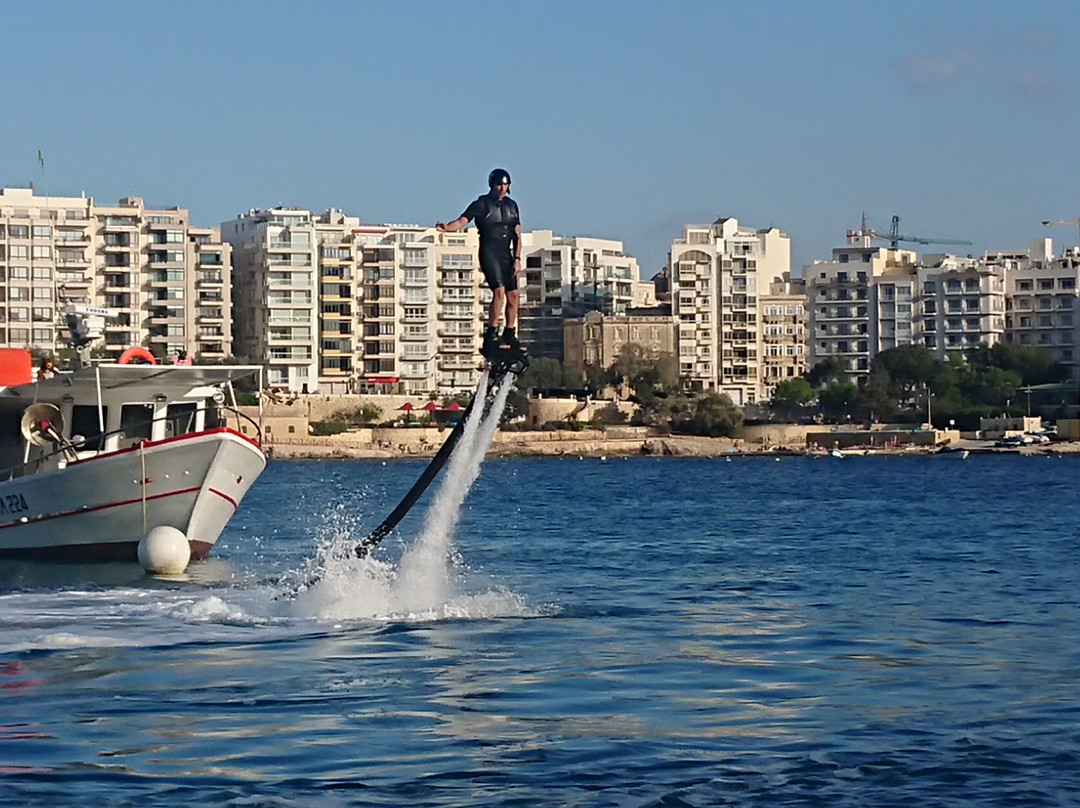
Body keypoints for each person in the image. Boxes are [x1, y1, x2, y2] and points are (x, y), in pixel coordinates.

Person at [437, 168, 524, 360]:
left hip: (506, 254)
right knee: (499, 292)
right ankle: (492, 333)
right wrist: (446, 228)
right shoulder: (482, 204)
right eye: (499, 185)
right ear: (492, 186)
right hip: (489, 252)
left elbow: (517, 235)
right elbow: (462, 221)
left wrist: (517, 259)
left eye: (505, 184)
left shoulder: (512, 206)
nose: (502, 188)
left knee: (514, 296)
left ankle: (509, 333)